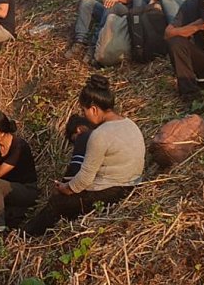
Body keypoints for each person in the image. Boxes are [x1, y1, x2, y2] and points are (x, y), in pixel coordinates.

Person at [23, 76, 143, 236]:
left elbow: (85, 179)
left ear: (93, 109)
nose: (84, 115)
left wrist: (66, 188)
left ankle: (26, 236)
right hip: (133, 184)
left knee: (57, 203)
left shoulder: (100, 135)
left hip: (113, 191)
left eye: (83, 110)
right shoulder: (130, 124)